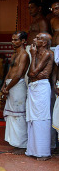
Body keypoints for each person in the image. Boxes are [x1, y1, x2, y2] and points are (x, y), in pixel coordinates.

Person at [26, 32, 54, 160]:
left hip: (41, 87)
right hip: (34, 87)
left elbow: (32, 73)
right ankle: (33, 150)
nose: (34, 39)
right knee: (33, 119)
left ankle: (43, 152)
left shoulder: (47, 53)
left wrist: (32, 55)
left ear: (44, 43)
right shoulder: (37, 52)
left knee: (41, 119)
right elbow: (31, 75)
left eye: (38, 38)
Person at [1, 31, 30, 154]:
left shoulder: (24, 55)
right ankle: (15, 143)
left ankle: (23, 145)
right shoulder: (14, 55)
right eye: (12, 40)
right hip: (10, 85)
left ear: (23, 41)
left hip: (17, 87)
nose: (13, 42)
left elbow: (18, 75)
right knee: (12, 115)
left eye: (16, 40)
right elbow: (9, 72)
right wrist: (3, 85)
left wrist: (7, 88)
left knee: (19, 116)